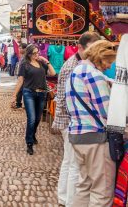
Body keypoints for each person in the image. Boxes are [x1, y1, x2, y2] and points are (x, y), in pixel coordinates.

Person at [65, 40, 117, 206]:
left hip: (78, 136)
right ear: (99, 57)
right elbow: (108, 112)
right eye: (108, 62)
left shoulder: (77, 71)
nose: (109, 66)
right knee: (101, 192)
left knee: (84, 185)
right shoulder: (94, 75)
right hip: (95, 138)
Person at [52, 32, 101, 207]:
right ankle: (70, 201)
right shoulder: (72, 66)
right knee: (73, 165)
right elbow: (65, 100)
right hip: (71, 122)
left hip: (72, 122)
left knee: (69, 162)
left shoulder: (78, 64)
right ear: (80, 47)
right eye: (90, 49)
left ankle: (64, 198)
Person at [12, 44, 56, 155]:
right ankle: (29, 143)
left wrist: (46, 61)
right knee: (31, 119)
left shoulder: (42, 63)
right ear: (29, 54)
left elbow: (53, 73)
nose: (37, 54)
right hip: (29, 93)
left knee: (37, 119)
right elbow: (20, 81)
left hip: (41, 94)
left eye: (38, 52)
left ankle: (32, 134)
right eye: (35, 53)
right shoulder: (24, 65)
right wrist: (14, 96)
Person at [13, 43, 27, 109]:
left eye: (20, 48)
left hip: (23, 76)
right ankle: (19, 103)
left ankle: (19, 104)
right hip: (20, 75)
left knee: (20, 90)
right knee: (20, 90)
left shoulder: (26, 57)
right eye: (19, 48)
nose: (19, 49)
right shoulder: (22, 56)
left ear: (25, 49)